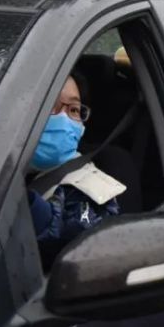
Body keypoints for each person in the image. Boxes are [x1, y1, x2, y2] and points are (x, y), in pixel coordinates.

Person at [28, 71, 126, 268]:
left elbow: (76, 240)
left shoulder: (88, 189)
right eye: (49, 106)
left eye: (73, 110)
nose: (64, 119)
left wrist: (29, 207)